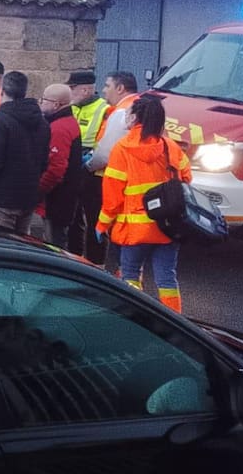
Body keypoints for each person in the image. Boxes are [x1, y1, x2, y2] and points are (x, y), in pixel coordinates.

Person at [95, 93, 192, 313]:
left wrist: (102, 224)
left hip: (135, 228)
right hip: (168, 226)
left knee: (130, 275)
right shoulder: (170, 146)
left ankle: (135, 320)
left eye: (129, 113)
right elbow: (186, 179)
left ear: (135, 118)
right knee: (167, 278)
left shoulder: (122, 149)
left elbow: (113, 195)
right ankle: (176, 322)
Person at [0, 71, 50, 235]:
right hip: (27, 197)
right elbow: (43, 161)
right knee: (19, 249)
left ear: (2, 92)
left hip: (1, 200)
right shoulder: (42, 122)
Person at [86, 71, 141, 274]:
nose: (103, 90)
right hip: (137, 180)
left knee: (114, 232)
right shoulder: (145, 106)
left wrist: (89, 165)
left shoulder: (122, 113)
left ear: (120, 88)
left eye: (107, 85)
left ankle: (111, 277)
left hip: (113, 179)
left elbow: (106, 153)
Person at [68, 70, 109, 262]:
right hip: (73, 166)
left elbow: (105, 144)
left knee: (93, 218)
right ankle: (73, 258)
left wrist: (89, 163)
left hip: (92, 170)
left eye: (72, 88)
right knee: (73, 217)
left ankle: (96, 262)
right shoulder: (73, 106)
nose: (70, 92)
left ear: (85, 90)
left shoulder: (104, 109)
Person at [36, 83, 83, 249]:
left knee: (53, 245)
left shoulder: (59, 128)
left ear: (56, 104)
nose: (41, 102)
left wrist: (38, 191)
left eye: (44, 99)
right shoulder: (68, 123)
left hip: (56, 200)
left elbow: (55, 169)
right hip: (64, 198)